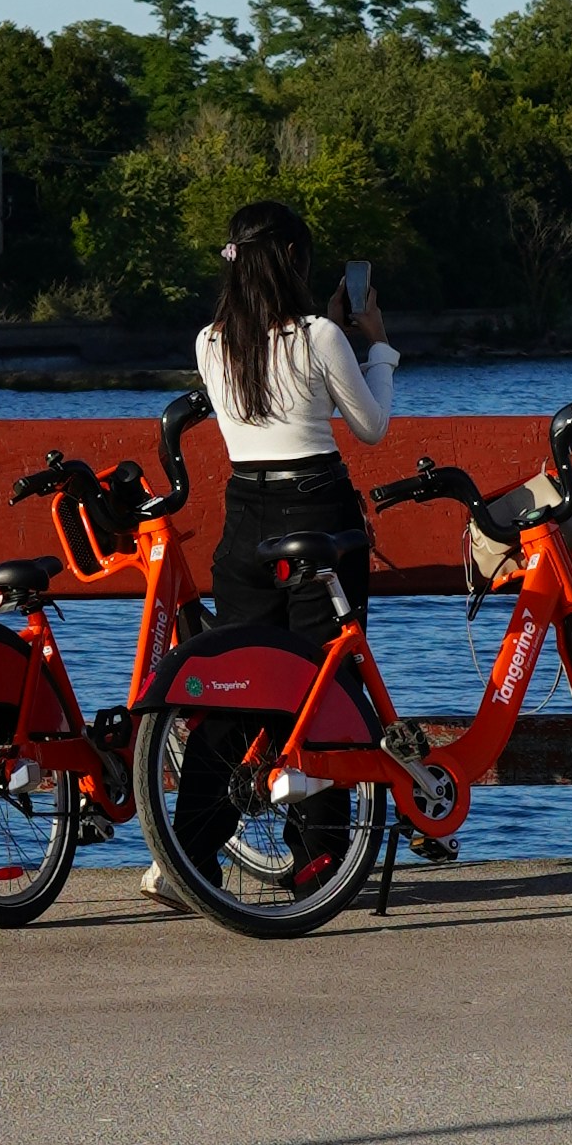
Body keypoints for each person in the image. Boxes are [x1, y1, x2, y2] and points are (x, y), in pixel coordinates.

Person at [168, 204, 398, 891]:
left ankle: (189, 850)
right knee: (323, 683)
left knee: (239, 683)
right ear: (296, 258)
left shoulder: (209, 342)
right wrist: (378, 346)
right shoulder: (321, 335)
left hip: (246, 518)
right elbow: (372, 426)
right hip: (319, 511)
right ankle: (320, 852)